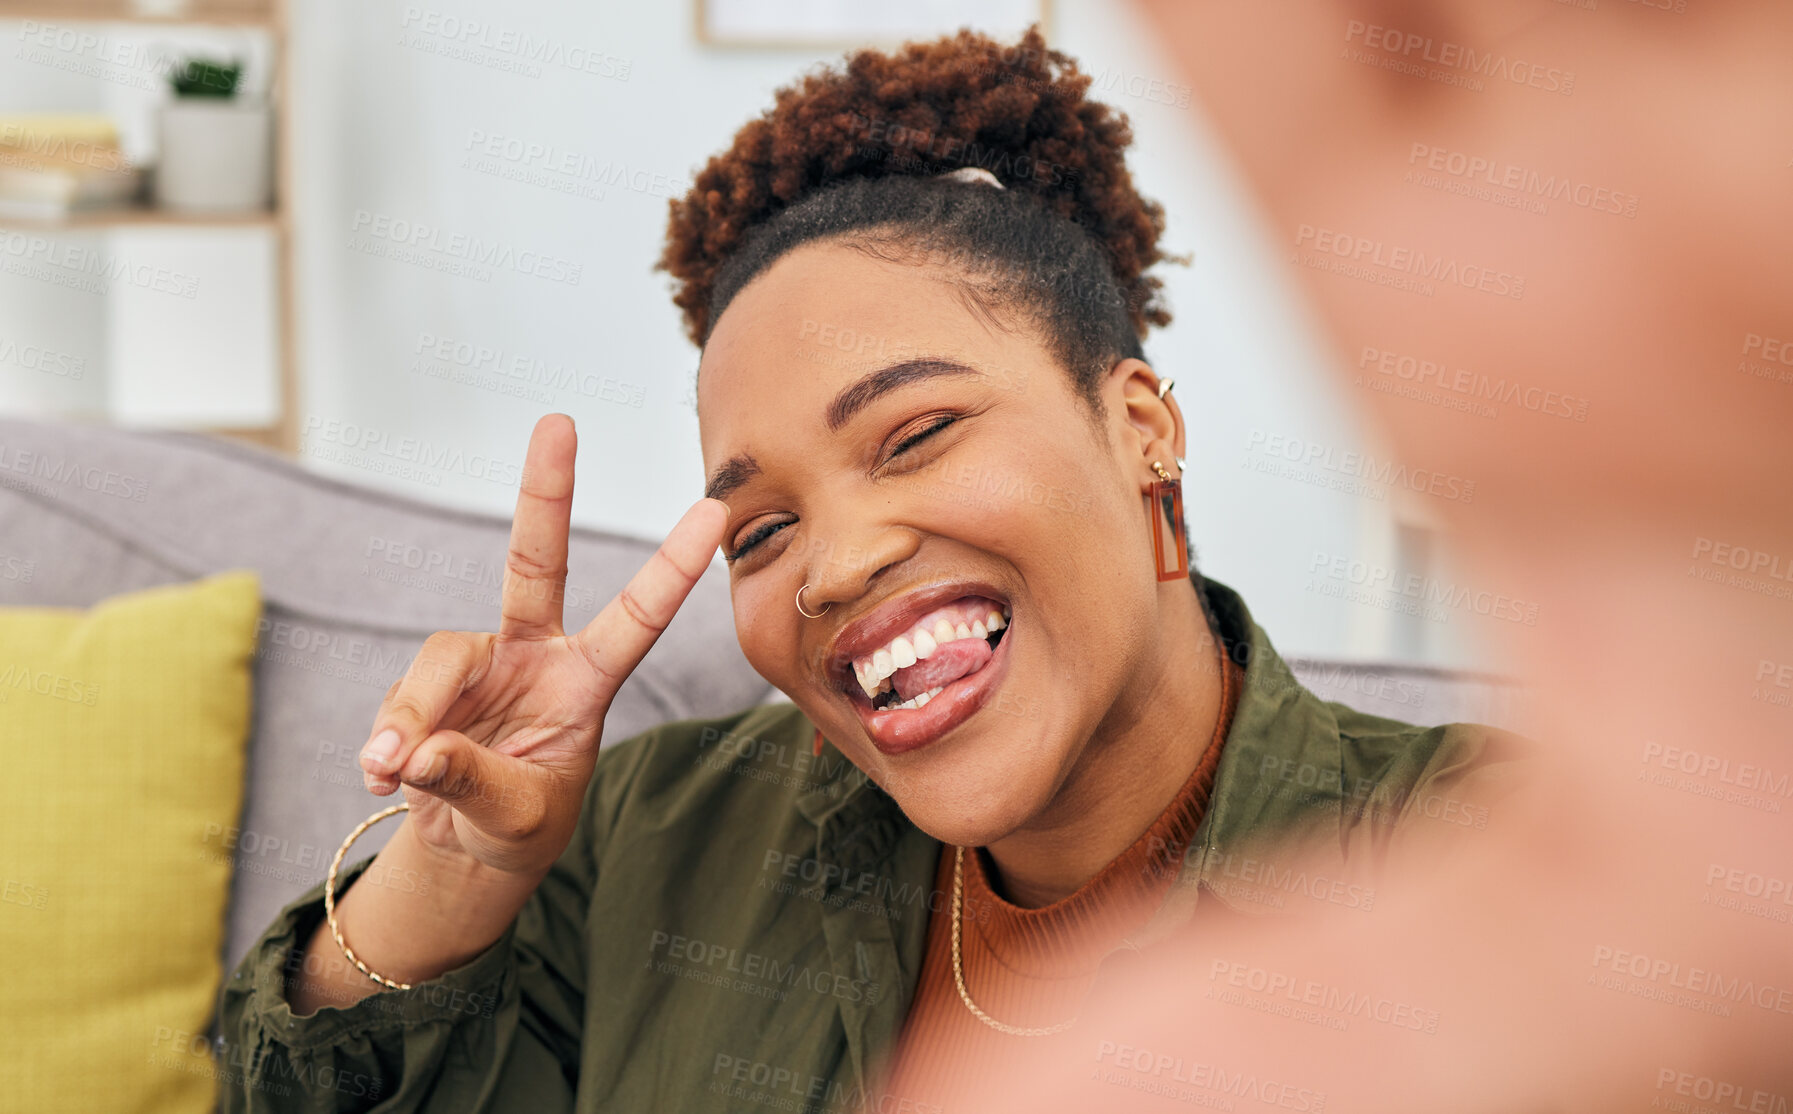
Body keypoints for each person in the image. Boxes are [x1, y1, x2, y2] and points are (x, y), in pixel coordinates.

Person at [217, 27, 1527, 1111]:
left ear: (1138, 430)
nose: (833, 566)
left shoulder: (1487, 857)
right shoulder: (652, 836)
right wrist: (447, 886)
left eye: (913, 434)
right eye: (761, 530)